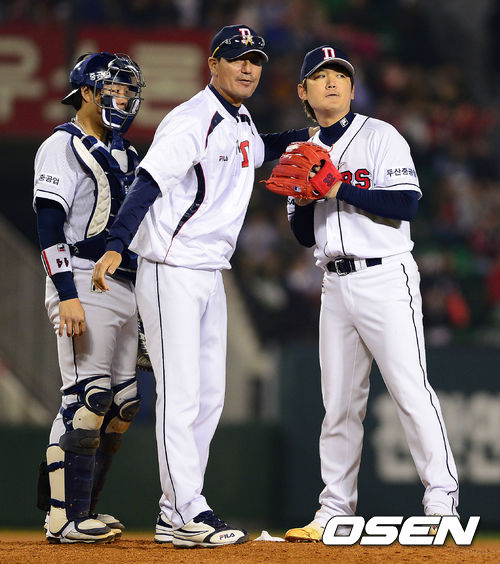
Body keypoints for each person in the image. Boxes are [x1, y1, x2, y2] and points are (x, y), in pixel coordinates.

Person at [92, 24, 316, 548]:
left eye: (255, 60)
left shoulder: (240, 120)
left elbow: (257, 150)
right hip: (171, 267)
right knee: (182, 393)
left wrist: (305, 136)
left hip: (211, 271)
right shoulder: (192, 118)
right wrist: (117, 243)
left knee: (211, 396)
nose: (247, 67)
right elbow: (148, 182)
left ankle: (178, 508)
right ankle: (185, 509)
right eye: (237, 57)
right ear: (213, 63)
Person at [282, 46, 459, 542]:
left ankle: (441, 501)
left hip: (385, 276)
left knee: (410, 390)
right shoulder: (300, 152)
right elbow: (303, 235)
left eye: (340, 75)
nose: (332, 82)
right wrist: (305, 199)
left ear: (353, 88)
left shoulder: (381, 136)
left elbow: (406, 205)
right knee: (339, 405)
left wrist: (337, 188)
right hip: (334, 284)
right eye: (320, 75)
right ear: (303, 92)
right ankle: (334, 510)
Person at [33, 52, 145, 543]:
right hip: (80, 276)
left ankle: (86, 510)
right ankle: (63, 517)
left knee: (122, 405)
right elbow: (48, 225)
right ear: (86, 92)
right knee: (86, 398)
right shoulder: (61, 145)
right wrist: (65, 294)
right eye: (112, 90)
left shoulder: (128, 154)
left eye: (127, 91)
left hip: (125, 283)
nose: (121, 99)